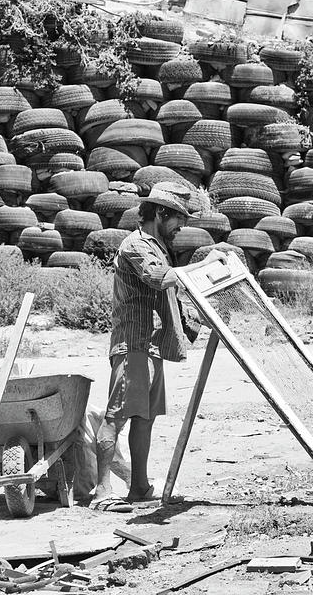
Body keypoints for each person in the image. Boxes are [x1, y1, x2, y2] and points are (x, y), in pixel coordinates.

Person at [90, 189, 199, 512]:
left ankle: (139, 487)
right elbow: (158, 278)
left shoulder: (157, 247)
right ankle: (102, 492)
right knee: (117, 417)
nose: (181, 226)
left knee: (144, 418)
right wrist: (205, 265)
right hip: (133, 345)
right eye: (178, 218)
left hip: (150, 344)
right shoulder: (136, 245)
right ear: (161, 214)